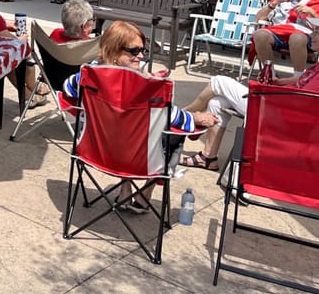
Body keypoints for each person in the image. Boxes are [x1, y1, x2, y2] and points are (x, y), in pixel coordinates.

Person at [61, 21, 217, 210]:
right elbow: (173, 118)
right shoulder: (145, 88)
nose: (141, 56)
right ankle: (145, 194)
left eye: (143, 50)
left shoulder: (89, 75)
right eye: (134, 51)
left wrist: (143, 76)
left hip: (95, 153)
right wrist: (197, 118)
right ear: (114, 51)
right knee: (172, 137)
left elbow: (67, 87)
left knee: (124, 130)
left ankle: (125, 191)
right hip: (138, 163)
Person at [180, 14, 319, 171]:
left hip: (282, 114)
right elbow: (304, 82)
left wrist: (268, 92)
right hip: (281, 107)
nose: (312, 35)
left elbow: (304, 100)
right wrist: (279, 83)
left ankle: (184, 116)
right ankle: (208, 158)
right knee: (217, 102)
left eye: (318, 32)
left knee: (218, 81)